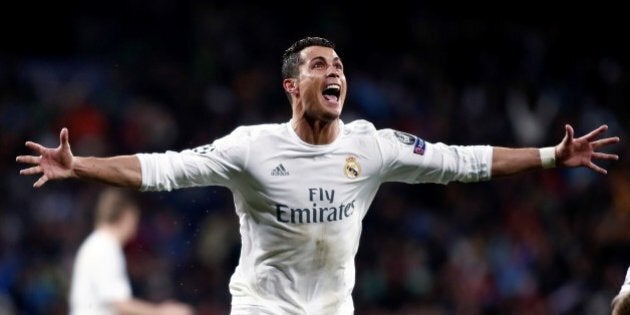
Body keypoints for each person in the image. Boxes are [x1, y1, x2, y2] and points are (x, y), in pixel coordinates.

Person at [17, 36, 620, 314]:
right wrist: (80, 165)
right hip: (262, 308)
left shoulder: (373, 146)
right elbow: (163, 171)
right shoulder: (251, 148)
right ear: (292, 85)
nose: (334, 72)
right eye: (318, 65)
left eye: (339, 65)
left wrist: (548, 156)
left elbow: (461, 162)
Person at [68, 187, 194, 315]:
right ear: (128, 216)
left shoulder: (98, 244)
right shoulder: (105, 247)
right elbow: (119, 304)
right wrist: (163, 312)